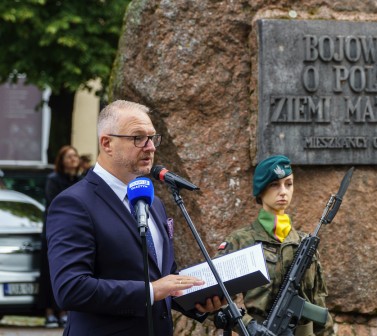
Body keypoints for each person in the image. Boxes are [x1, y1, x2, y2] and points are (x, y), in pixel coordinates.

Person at [46, 100, 223, 336]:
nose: (150, 147)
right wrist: (150, 291)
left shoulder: (153, 202)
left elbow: (162, 278)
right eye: (138, 138)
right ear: (107, 143)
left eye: (152, 137)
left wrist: (198, 300)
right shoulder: (75, 204)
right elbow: (70, 288)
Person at [215, 155, 335, 336]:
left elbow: (318, 307)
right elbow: (214, 300)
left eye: (289, 184)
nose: (283, 191)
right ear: (261, 190)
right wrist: (247, 325)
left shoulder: (303, 243)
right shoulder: (241, 241)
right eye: (274, 185)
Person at [39, 145, 82, 328]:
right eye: (69, 156)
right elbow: (56, 205)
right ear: (62, 161)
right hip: (54, 234)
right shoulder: (53, 179)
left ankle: (64, 311)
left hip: (75, 234)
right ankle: (49, 312)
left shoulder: (81, 180)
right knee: (49, 273)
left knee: (68, 271)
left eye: (75, 156)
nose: (73, 159)